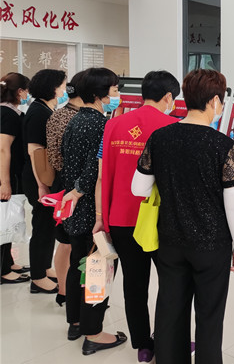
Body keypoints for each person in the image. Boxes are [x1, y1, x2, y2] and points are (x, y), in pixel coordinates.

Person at [131, 69, 234, 364]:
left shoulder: (160, 137)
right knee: (209, 316)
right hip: (212, 244)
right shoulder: (223, 146)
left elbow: (138, 188)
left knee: (170, 310)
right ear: (215, 101)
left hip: (170, 240)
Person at [94, 70, 180, 363]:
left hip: (120, 218)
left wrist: (101, 217)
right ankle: (168, 342)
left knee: (134, 284)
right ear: (168, 97)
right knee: (171, 284)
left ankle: (143, 345)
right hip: (160, 221)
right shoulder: (173, 127)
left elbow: (102, 176)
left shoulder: (113, 125)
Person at [60, 67, 126, 355]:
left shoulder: (74, 120)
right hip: (91, 208)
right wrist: (79, 192)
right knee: (97, 269)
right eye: (115, 90)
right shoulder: (101, 125)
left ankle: (75, 322)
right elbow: (93, 171)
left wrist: (72, 193)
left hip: (74, 209)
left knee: (78, 264)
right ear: (100, 95)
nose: (118, 95)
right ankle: (94, 333)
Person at [22, 68, 67, 294]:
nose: (65, 89)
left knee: (48, 225)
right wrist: (42, 185)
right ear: (53, 87)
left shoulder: (46, 109)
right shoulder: (39, 112)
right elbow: (35, 151)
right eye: (63, 85)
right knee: (41, 225)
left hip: (45, 177)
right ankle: (37, 277)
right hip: (39, 178)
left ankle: (45, 267)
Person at [45, 70, 87, 305]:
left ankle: (64, 290)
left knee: (66, 241)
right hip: (71, 186)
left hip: (63, 182)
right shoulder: (76, 119)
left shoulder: (59, 114)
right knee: (69, 243)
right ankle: (66, 291)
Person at [0, 72, 31, 284]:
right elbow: (3, 149)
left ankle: (8, 262)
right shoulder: (8, 114)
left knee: (8, 218)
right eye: (26, 90)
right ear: (20, 91)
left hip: (11, 173)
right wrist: (5, 182)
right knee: (4, 221)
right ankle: (3, 270)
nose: (28, 94)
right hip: (7, 174)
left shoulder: (9, 112)